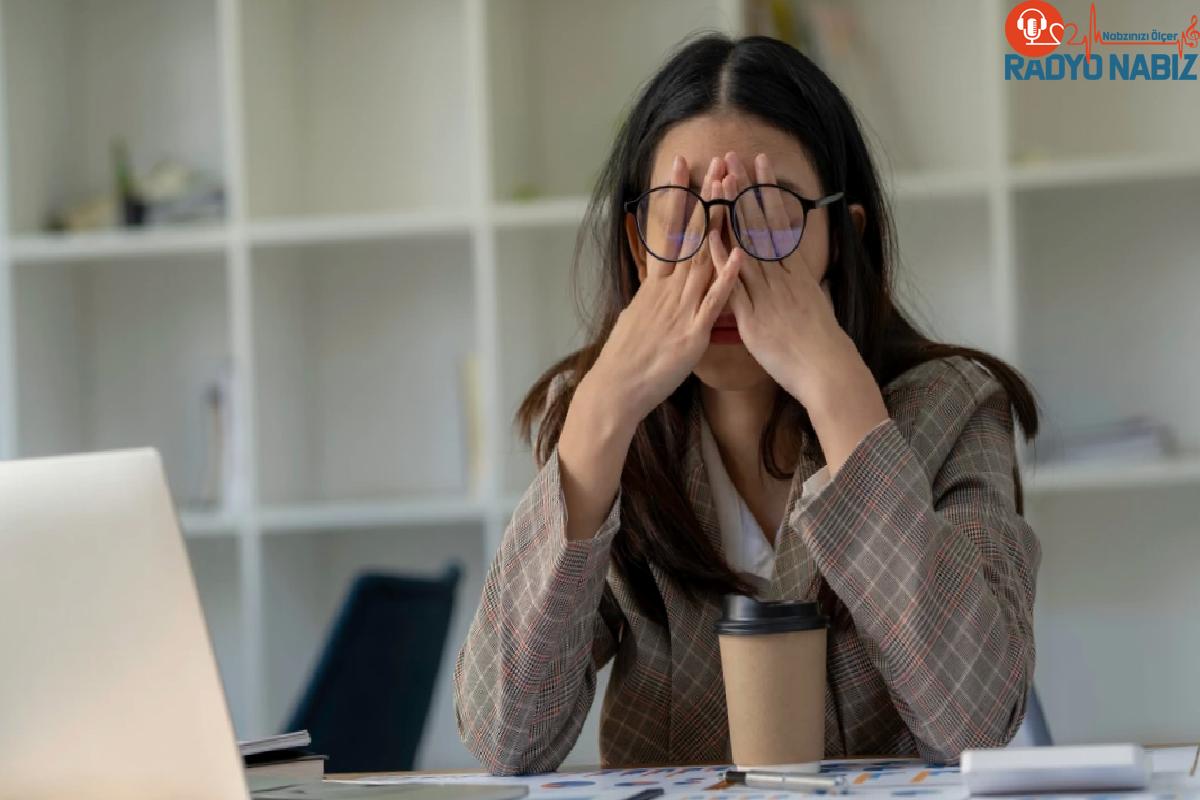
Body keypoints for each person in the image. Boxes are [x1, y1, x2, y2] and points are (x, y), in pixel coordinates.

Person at [453, 32, 1041, 775]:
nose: (722, 260)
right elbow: (506, 738)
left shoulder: (954, 410)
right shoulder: (606, 428)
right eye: (684, 212)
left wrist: (839, 394)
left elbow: (976, 723)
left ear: (840, 238)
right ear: (639, 247)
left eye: (767, 213)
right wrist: (599, 416)